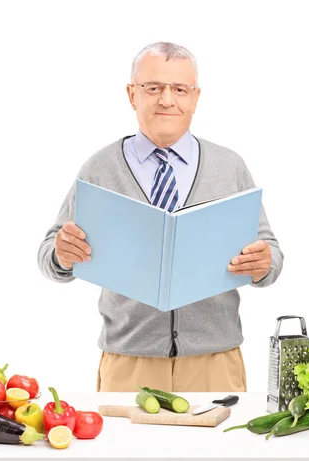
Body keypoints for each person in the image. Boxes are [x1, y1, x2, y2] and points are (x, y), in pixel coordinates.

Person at [38, 42, 284, 393]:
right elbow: (49, 256)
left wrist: (263, 264)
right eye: (153, 88)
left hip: (215, 360)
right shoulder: (100, 168)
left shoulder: (229, 167)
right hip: (128, 361)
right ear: (131, 94)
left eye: (179, 89)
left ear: (195, 98)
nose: (167, 100)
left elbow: (271, 257)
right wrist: (63, 254)